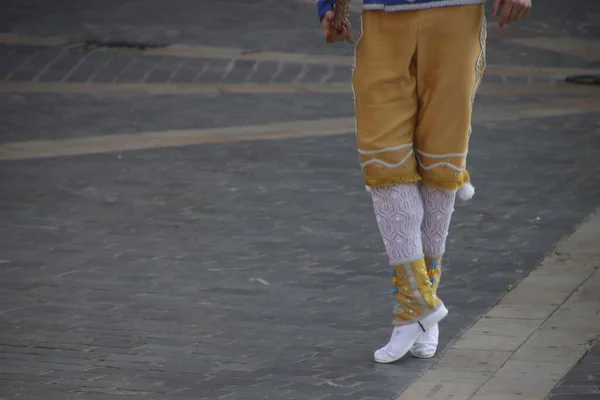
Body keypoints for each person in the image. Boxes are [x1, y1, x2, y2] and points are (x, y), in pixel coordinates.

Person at [317, 0, 532, 363]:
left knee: (442, 162)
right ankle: (418, 303)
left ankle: (417, 314)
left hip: (457, 11)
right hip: (383, 14)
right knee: (383, 159)